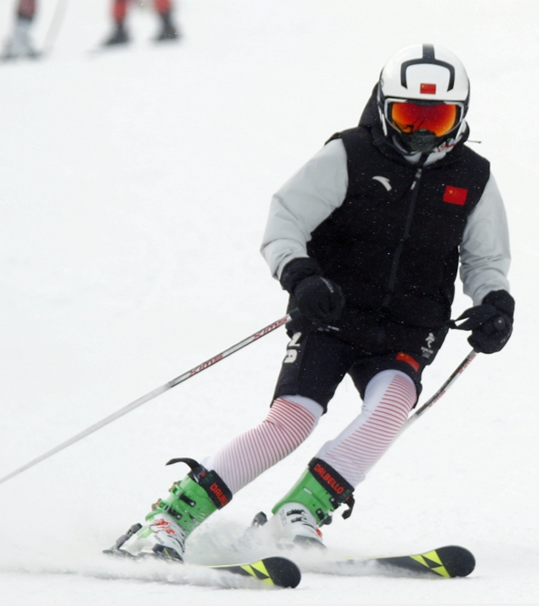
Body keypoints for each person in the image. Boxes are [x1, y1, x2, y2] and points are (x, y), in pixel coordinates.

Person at [111, 44, 514, 561]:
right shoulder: (349, 155)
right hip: (332, 315)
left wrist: (495, 303)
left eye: (436, 118)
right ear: (382, 106)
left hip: (410, 326)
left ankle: (297, 513)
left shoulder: (472, 177)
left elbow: (486, 258)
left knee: (390, 406)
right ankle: (170, 519)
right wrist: (301, 278)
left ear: (461, 117)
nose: (420, 132)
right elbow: (285, 222)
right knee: (293, 420)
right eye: (408, 115)